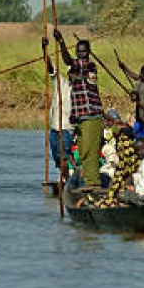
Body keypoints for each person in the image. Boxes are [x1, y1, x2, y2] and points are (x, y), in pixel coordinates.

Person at [53, 29, 104, 188]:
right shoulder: (77, 70)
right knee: (82, 151)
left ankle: (93, 183)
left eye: (83, 51)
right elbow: (71, 67)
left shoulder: (89, 65)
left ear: (88, 52)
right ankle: (87, 181)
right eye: (78, 51)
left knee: (90, 150)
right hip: (81, 116)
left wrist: (61, 41)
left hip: (91, 113)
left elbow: (68, 60)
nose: (80, 54)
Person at [42, 37, 74, 181]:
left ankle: (67, 180)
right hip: (54, 129)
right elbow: (49, 67)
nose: (72, 75)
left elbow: (67, 58)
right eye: (70, 73)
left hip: (67, 130)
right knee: (57, 159)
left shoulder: (79, 90)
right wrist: (44, 49)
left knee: (64, 159)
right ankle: (65, 178)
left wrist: (62, 41)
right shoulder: (61, 83)